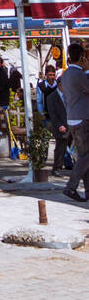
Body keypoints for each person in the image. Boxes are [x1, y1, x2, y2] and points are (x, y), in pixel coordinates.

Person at [58, 43, 89, 201]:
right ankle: (71, 186)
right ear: (82, 57)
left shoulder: (66, 74)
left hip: (73, 117)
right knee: (85, 156)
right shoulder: (79, 74)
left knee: (84, 155)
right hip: (82, 118)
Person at [39, 66, 70, 174]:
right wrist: (59, 125)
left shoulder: (69, 95)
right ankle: (56, 167)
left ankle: (73, 165)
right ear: (60, 85)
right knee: (60, 146)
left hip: (71, 123)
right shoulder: (51, 97)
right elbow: (53, 114)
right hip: (59, 124)